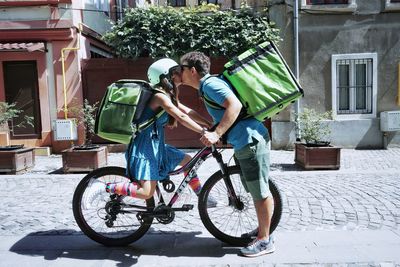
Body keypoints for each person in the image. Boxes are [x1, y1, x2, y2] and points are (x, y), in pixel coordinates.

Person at [179, 52, 275, 257]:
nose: (180, 72)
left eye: (182, 68)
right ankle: (262, 231)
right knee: (256, 187)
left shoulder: (210, 85)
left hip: (250, 141)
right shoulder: (207, 87)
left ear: (192, 70)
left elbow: (235, 105)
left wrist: (217, 133)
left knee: (259, 190)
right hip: (245, 141)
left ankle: (265, 240)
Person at [106, 58, 216, 206]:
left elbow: (188, 111)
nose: (180, 75)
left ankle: (202, 196)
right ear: (166, 77)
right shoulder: (159, 96)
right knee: (146, 193)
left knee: (188, 161)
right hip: (145, 147)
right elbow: (181, 117)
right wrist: (202, 131)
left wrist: (209, 124)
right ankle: (105, 187)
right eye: (176, 72)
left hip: (156, 145)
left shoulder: (168, 95)